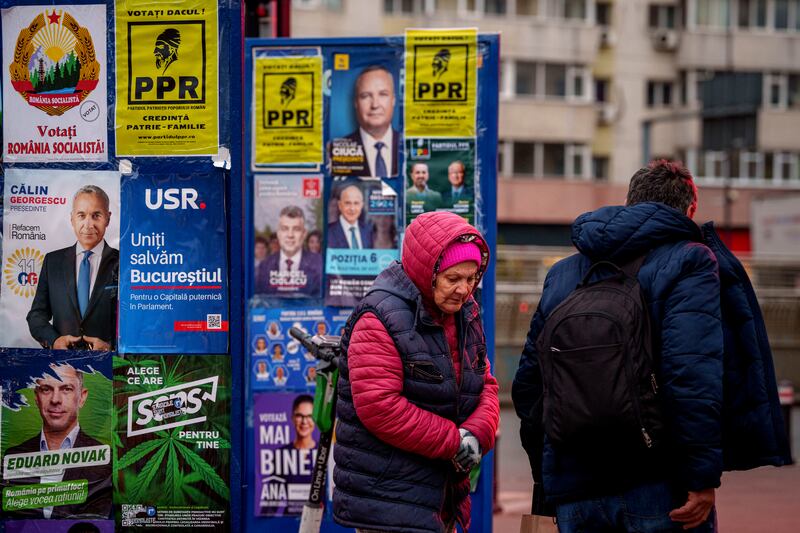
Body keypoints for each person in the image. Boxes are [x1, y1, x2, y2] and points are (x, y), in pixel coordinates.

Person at [513, 160, 725, 532]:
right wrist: (701, 475)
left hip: (573, 488)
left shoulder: (563, 273)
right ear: (691, 210)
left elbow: (530, 384)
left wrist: (547, 475)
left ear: (629, 201)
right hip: (656, 484)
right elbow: (692, 377)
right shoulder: (690, 261)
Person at [333, 211, 500, 532]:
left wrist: (477, 434)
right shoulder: (379, 317)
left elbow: (486, 383)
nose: (464, 290)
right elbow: (379, 406)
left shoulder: (465, 313)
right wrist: (455, 441)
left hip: (440, 496)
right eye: (453, 279)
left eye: (471, 278)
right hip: (388, 499)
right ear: (428, 271)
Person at [3, 364, 111, 519]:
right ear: (36, 397)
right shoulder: (13, 456)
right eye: (46, 389)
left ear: (82, 397)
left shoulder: (106, 461)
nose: (55, 399)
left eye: (66, 389)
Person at [27, 185, 118, 351]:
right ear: (72, 219)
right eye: (81, 215)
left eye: (96, 215)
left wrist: (112, 347)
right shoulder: (52, 262)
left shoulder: (124, 263)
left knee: (96, 379)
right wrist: (54, 341)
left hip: (108, 365)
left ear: (108, 218)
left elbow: (136, 321)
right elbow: (36, 315)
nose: (88, 224)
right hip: (63, 364)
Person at [337, 66, 399, 177]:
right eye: (365, 96)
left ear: (393, 100)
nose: (375, 105)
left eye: (383, 94)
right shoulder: (337, 151)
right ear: (356, 103)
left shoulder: (406, 146)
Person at [255, 205, 322, 296]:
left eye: (296, 229)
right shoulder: (264, 266)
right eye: (285, 229)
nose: (290, 235)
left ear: (304, 234)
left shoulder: (320, 264)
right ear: (278, 233)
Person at [328, 184, 373, 249]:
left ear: (361, 205)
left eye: (356, 203)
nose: (352, 208)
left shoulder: (368, 231)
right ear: (340, 205)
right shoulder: (328, 232)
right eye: (347, 203)